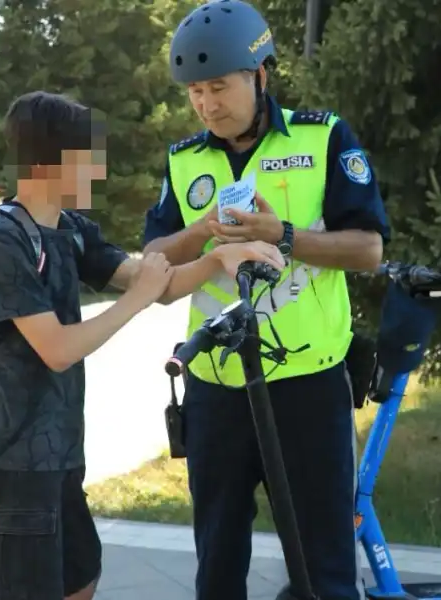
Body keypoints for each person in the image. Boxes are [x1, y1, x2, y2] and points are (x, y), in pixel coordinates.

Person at [0, 90, 284, 600]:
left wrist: (223, 256)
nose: (99, 168)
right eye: (89, 156)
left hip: (60, 452)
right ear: (55, 160)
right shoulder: (3, 240)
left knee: (80, 581)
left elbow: (158, 282)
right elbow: (59, 348)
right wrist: (134, 299)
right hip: (16, 458)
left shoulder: (68, 230)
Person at [142, 2, 391, 599]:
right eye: (195, 91)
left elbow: (369, 250)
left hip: (307, 383)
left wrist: (283, 236)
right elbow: (153, 262)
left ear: (260, 75)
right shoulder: (183, 161)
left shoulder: (323, 137)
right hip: (215, 387)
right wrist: (203, 231)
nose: (207, 103)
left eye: (219, 86)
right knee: (218, 564)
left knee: (322, 568)